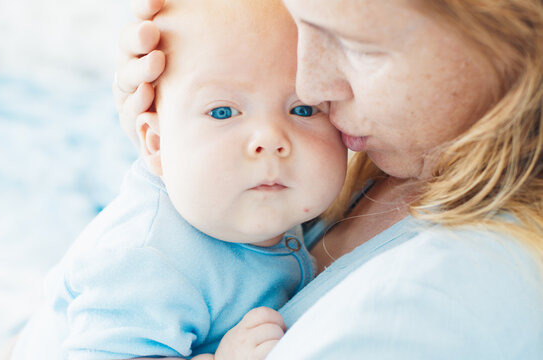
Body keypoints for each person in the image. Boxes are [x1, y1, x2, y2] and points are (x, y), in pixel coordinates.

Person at [115, 0, 543, 358]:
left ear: (517, 41)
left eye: (359, 48)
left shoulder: (432, 305)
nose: (310, 86)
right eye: (303, 25)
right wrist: (177, 140)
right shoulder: (387, 155)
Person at [11, 0, 347, 359]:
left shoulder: (241, 201)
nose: (270, 138)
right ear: (156, 143)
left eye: (303, 109)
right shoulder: (145, 262)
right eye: (222, 112)